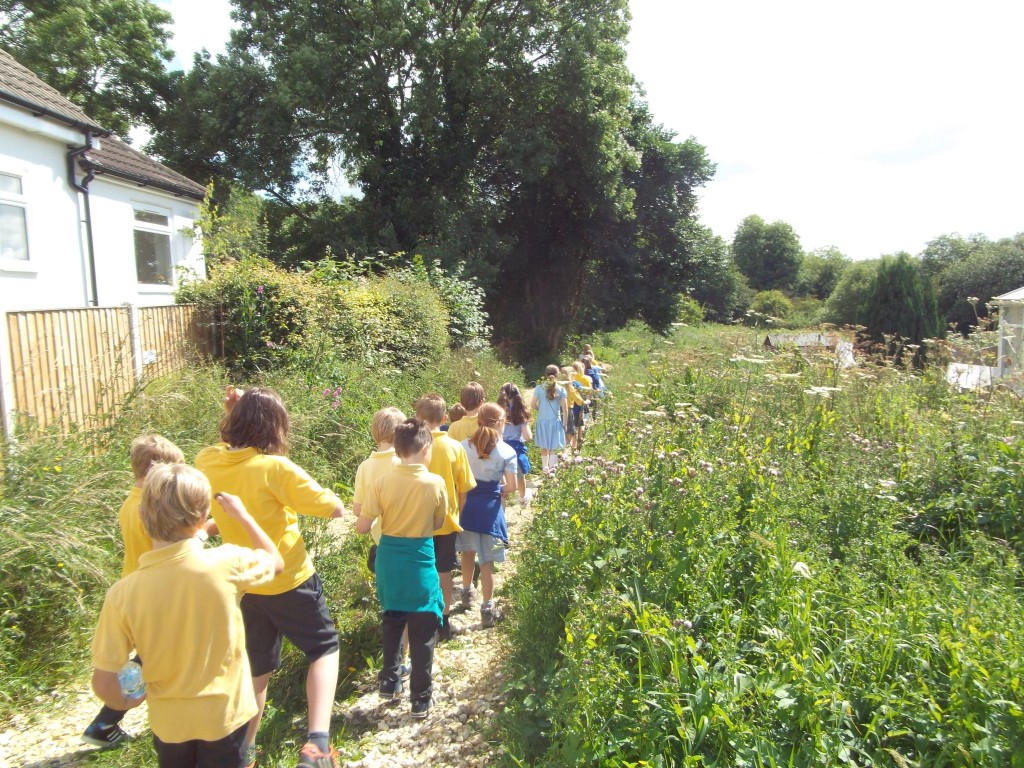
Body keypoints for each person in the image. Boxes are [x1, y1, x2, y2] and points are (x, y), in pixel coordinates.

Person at [90, 463, 284, 768]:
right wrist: (244, 517)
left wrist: (127, 701)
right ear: (203, 517)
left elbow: (103, 682)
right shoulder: (227, 563)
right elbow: (275, 562)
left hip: (170, 725)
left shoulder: (122, 594)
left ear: (142, 516)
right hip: (225, 716)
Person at [195, 386, 345, 768]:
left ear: (234, 423)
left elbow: (224, 450)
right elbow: (333, 508)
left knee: (257, 669)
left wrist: (233, 411)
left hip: (246, 584)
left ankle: (244, 750)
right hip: (290, 578)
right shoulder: (276, 469)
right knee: (324, 648)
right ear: (276, 428)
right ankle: (317, 744)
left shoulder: (207, 462)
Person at [82, 434, 191, 749]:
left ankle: (111, 719)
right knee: (152, 658)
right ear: (158, 474)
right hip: (156, 593)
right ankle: (106, 721)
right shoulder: (150, 510)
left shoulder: (131, 502)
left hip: (135, 584)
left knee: (149, 655)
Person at [354, 419, 447, 720]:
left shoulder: (381, 483)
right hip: (419, 558)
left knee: (393, 620)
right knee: (422, 629)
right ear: (425, 448)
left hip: (389, 559)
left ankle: (389, 683)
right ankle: (421, 698)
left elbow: (362, 526)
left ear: (397, 448)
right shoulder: (435, 483)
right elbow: (439, 523)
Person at [414, 393, 476, 641]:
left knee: (421, 571)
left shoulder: (412, 447)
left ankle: (421, 619)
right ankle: (445, 620)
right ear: (444, 418)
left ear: (417, 417)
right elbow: (464, 488)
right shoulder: (454, 446)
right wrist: (457, 513)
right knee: (444, 572)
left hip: (418, 523)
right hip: (448, 521)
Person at [458, 403, 517, 628]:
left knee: (467, 552)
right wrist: (498, 489)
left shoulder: (463, 446)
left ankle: (466, 593)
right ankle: (487, 607)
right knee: (487, 561)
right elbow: (510, 486)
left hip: (467, 506)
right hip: (490, 510)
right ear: (501, 423)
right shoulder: (506, 451)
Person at [496, 383, 532, 501]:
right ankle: (522, 498)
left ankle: (502, 503)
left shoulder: (498, 412)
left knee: (501, 478)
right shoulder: (520, 414)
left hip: (499, 448)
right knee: (520, 477)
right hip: (515, 450)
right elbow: (528, 437)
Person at [531, 365, 568, 473]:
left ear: (545, 375)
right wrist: (565, 424)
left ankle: (544, 469)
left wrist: (540, 408)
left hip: (542, 421)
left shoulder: (539, 388)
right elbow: (565, 409)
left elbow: (532, 404)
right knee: (553, 448)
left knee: (544, 447)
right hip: (555, 422)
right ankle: (552, 470)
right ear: (557, 375)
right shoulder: (561, 389)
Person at [560, 367, 585, 453]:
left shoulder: (557, 386)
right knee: (569, 432)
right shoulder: (569, 387)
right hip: (567, 410)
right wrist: (586, 401)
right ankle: (566, 452)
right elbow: (578, 401)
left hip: (557, 411)